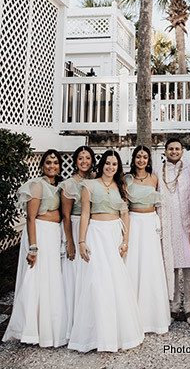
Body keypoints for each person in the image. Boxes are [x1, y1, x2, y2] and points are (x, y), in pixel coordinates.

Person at [68, 149, 144, 352]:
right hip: (95, 233)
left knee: (116, 281)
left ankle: (117, 334)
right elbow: (84, 214)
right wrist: (82, 241)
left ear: (118, 167)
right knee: (95, 281)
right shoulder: (89, 185)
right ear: (102, 164)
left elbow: (125, 214)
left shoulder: (121, 187)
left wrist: (125, 240)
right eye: (108, 163)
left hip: (114, 235)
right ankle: (94, 336)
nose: (111, 167)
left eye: (115, 164)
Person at [3, 149, 67, 347]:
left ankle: (48, 327)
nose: (52, 166)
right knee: (36, 280)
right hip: (39, 235)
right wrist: (33, 247)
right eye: (48, 162)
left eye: (55, 163)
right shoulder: (37, 185)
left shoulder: (58, 186)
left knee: (51, 281)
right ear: (42, 165)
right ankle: (30, 329)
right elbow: (31, 218)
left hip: (53, 235)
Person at [125, 145, 170, 334]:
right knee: (133, 265)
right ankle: (132, 316)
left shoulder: (154, 178)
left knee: (151, 267)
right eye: (138, 156)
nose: (141, 160)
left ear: (148, 160)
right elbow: (124, 206)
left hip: (150, 223)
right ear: (133, 159)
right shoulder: (127, 179)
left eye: (144, 157)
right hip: (134, 223)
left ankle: (153, 318)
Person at [153, 137, 190, 323]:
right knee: (170, 268)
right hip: (168, 223)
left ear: (182, 151)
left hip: (186, 222)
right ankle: (172, 307)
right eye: (170, 149)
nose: (174, 152)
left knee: (187, 269)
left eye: (177, 149)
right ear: (165, 151)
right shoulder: (157, 170)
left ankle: (189, 308)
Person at [60, 145, 96, 339]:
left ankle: (89, 321)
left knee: (89, 274)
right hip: (74, 227)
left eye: (87, 158)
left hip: (92, 229)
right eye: (81, 158)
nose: (84, 161)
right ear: (75, 161)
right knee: (74, 275)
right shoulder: (68, 184)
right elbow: (66, 216)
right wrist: (71, 242)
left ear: (92, 161)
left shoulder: (96, 181)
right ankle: (72, 324)